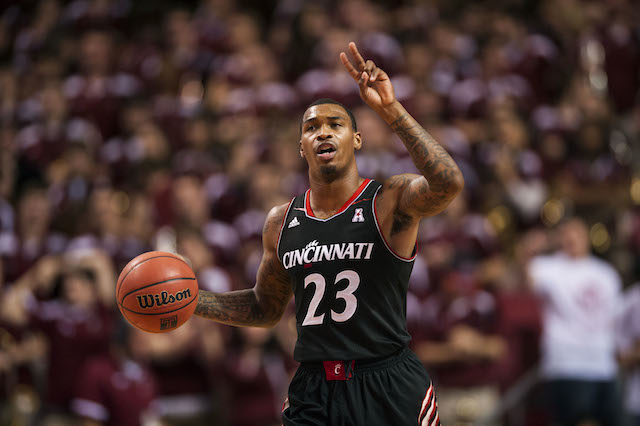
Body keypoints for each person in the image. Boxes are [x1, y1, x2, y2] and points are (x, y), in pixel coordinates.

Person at [194, 42, 464, 425]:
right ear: (301, 147)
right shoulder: (280, 221)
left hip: (387, 382)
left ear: (356, 139)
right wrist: (193, 302)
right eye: (311, 128)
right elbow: (265, 308)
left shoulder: (388, 201)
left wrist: (390, 109)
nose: (323, 133)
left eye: (335, 125)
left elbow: (448, 182)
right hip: (315, 388)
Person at [527, 217, 622, 426]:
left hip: (604, 364)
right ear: (559, 238)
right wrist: (527, 251)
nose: (572, 238)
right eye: (566, 233)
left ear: (587, 236)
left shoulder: (607, 273)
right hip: (567, 364)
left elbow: (614, 319)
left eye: (577, 232)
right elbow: (521, 281)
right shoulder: (547, 266)